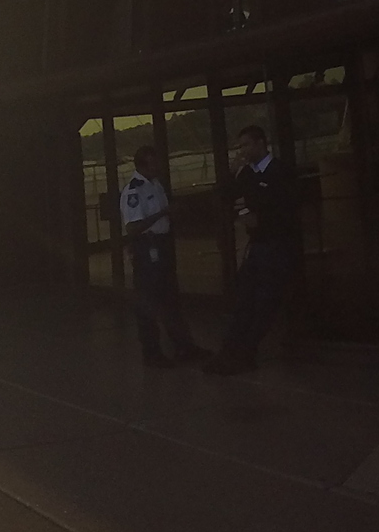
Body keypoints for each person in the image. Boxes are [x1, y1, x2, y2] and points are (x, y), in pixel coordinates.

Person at [206, 123, 299, 376]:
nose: (243, 150)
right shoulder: (247, 174)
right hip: (257, 245)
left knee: (265, 301)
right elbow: (223, 195)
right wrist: (232, 171)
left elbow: (289, 210)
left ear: (260, 143)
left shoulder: (280, 172)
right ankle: (230, 351)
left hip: (276, 244)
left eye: (246, 144)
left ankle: (247, 351)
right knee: (245, 299)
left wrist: (260, 218)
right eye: (240, 146)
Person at [118, 145, 205, 366]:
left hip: (162, 244)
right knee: (148, 300)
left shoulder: (156, 185)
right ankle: (152, 352)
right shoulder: (134, 191)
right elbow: (133, 227)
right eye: (154, 162)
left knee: (170, 298)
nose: (158, 166)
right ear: (143, 165)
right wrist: (163, 213)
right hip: (147, 247)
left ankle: (183, 345)